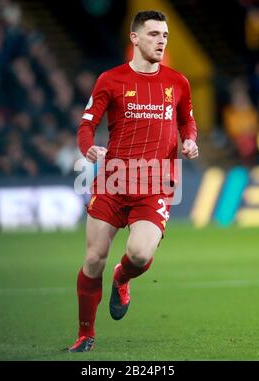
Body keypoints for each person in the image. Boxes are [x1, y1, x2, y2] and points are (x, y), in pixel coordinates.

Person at [69, 10, 199, 352]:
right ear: (135, 38)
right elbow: (86, 125)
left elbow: (188, 122)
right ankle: (85, 334)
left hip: (156, 183)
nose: (161, 40)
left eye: (165, 35)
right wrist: (89, 150)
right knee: (93, 258)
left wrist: (190, 140)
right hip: (113, 181)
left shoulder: (178, 82)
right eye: (154, 34)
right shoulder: (110, 80)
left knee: (139, 254)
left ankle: (122, 278)